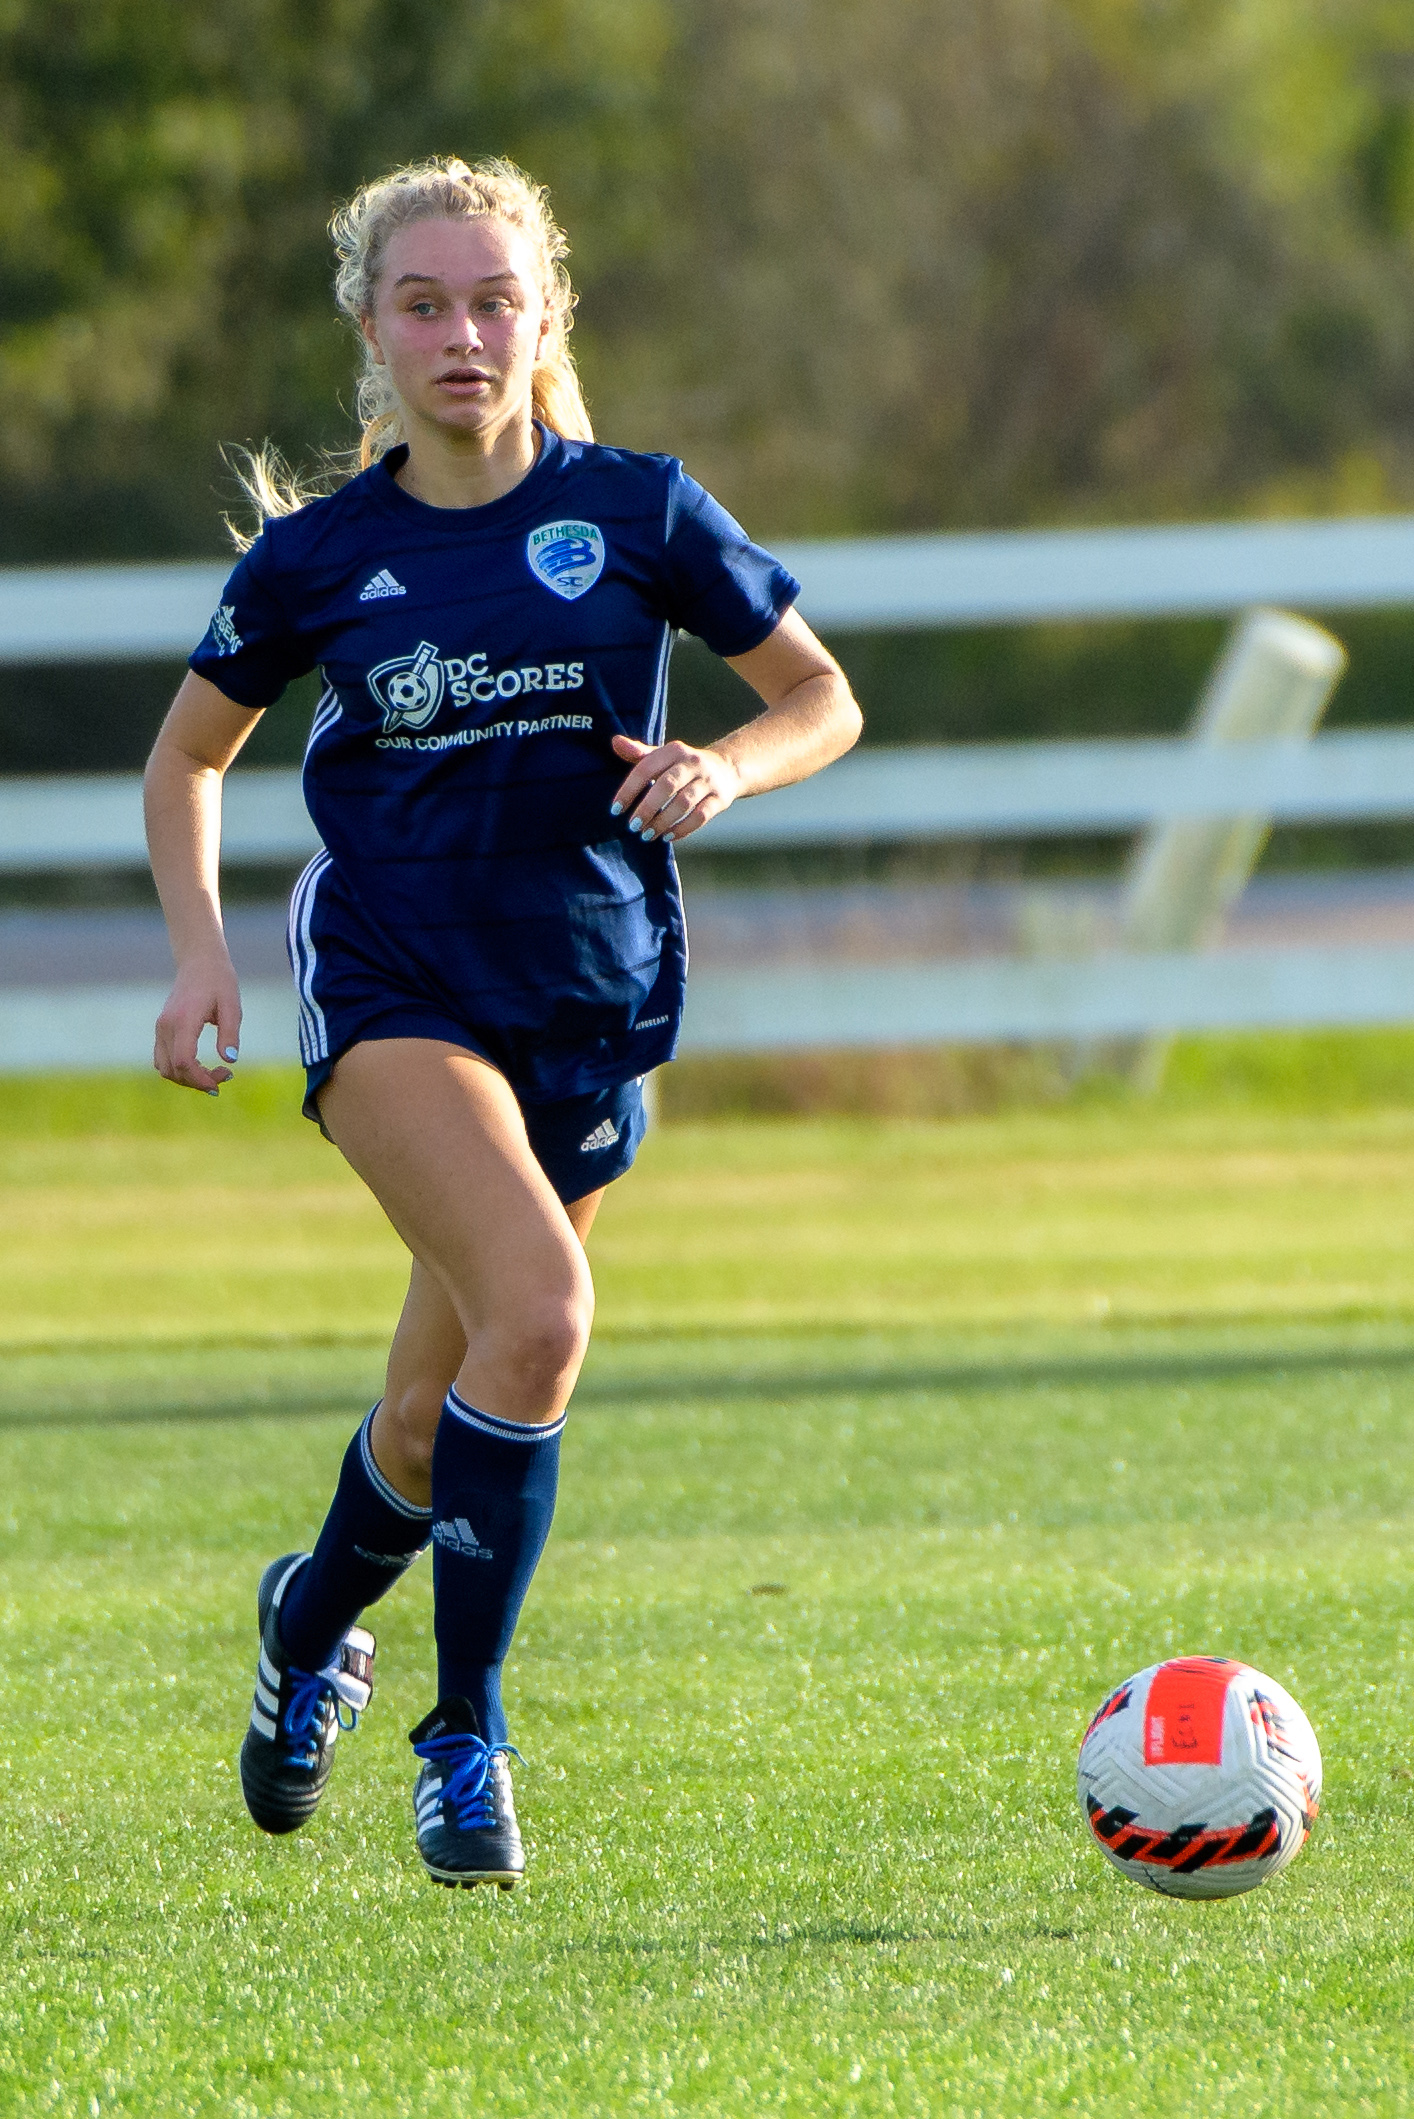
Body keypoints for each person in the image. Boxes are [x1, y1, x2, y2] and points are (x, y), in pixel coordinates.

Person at [144, 155, 862, 1891]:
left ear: (544, 320)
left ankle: (306, 1622)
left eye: (492, 301)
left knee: (435, 1413)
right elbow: (187, 759)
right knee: (542, 1314)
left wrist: (721, 766)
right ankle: (462, 1738)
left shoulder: (639, 511)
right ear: (370, 333)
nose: (461, 334)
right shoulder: (321, 559)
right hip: (395, 980)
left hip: (585, 997)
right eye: (423, 304)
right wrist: (201, 956)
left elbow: (819, 697)